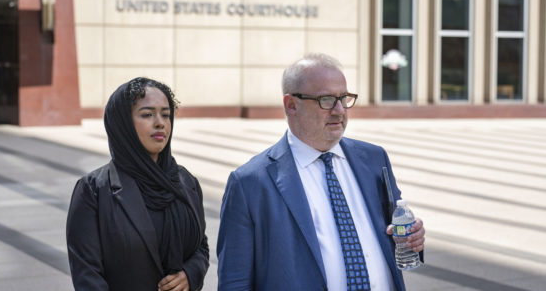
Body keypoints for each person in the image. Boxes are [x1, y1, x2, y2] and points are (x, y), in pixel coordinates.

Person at [217, 53, 425, 291]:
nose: (339, 110)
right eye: (326, 100)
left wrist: (410, 237)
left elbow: (395, 231)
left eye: (343, 98)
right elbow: (235, 282)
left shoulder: (374, 159)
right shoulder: (250, 183)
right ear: (291, 105)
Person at [66, 77, 209, 291]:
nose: (160, 122)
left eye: (166, 114)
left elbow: (200, 246)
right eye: (147, 114)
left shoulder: (185, 182)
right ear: (122, 123)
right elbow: (88, 275)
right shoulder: (94, 190)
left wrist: (190, 274)